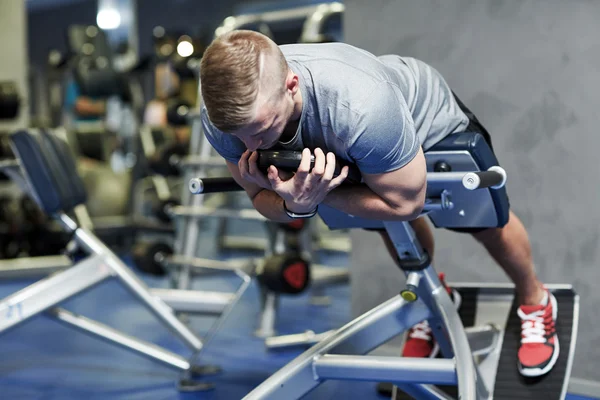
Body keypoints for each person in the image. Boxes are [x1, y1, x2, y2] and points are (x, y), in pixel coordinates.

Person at [198, 30, 559, 378]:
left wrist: (314, 196)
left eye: (261, 129)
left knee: (482, 221)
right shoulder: (223, 117)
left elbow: (408, 204)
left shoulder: (362, 105)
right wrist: (297, 205)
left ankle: (535, 298)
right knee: (386, 226)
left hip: (424, 122)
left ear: (291, 86)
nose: (251, 145)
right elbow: (260, 198)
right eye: (239, 134)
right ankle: (436, 307)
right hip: (349, 141)